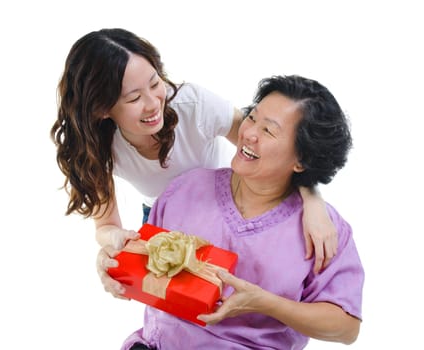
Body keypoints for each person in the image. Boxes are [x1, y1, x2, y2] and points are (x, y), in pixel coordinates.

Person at [51, 28, 337, 299]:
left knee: (243, 298)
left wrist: (313, 201)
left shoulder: (193, 106)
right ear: (101, 108)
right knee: (181, 315)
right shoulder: (97, 147)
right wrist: (116, 242)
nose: (153, 103)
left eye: (155, 83)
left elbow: (268, 151)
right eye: (135, 98)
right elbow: (105, 226)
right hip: (165, 223)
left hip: (230, 206)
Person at [112, 75, 364, 350]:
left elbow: (346, 327)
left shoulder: (323, 230)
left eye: (268, 131)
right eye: (252, 117)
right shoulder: (184, 189)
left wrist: (266, 304)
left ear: (301, 161)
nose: (249, 133)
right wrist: (112, 268)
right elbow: (141, 267)